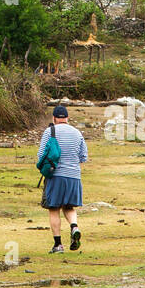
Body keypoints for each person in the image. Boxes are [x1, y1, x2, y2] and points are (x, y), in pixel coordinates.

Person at [36, 104, 89, 253]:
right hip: (74, 176)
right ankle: (74, 227)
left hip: (56, 175)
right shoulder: (77, 133)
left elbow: (41, 154)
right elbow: (83, 156)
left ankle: (58, 244)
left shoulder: (49, 131)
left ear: (54, 118)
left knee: (54, 208)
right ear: (67, 118)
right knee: (69, 207)